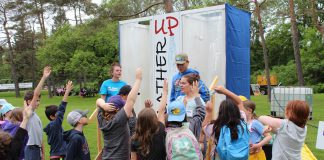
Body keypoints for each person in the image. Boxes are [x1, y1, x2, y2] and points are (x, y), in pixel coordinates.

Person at [96, 68, 142, 160]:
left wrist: (103, 105)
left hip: (106, 157)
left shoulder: (101, 118)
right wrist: (138, 79)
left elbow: (98, 100)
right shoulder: (119, 120)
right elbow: (131, 100)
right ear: (118, 109)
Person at [203, 86, 249, 160]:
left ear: (220, 112)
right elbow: (240, 102)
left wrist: (209, 112)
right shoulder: (242, 121)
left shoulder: (215, 128)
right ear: (236, 111)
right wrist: (224, 91)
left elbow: (204, 127)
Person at [165, 80, 203, 160]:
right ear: (184, 115)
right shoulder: (191, 125)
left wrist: (165, 92)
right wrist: (197, 96)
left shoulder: (166, 131)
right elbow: (200, 113)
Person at [131, 79, 168, 160]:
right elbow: (161, 111)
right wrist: (165, 92)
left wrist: (147, 109)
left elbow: (133, 158)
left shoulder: (134, 139)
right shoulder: (160, 130)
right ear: (154, 119)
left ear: (139, 121)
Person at [24, 66, 51, 160]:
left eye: (39, 100)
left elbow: (40, 135)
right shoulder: (28, 112)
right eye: (36, 100)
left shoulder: (35, 115)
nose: (38, 102)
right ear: (28, 102)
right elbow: (36, 93)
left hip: (36, 149)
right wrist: (44, 77)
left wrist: (42, 152)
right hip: (31, 148)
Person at [43, 81, 73, 160]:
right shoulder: (55, 124)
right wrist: (67, 92)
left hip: (55, 154)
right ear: (52, 117)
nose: (60, 114)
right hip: (58, 154)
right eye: (57, 113)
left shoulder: (53, 125)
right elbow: (62, 108)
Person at [175, 73, 206, 140]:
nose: (181, 85)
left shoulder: (199, 101)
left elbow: (201, 120)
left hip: (192, 137)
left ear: (192, 85)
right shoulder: (179, 99)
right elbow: (173, 116)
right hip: (178, 134)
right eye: (180, 83)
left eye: (183, 83)